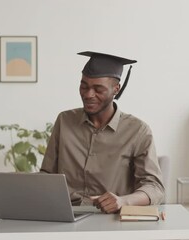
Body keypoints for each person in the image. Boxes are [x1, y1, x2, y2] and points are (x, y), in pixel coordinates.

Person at [41, 51, 165, 214]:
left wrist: (123, 201)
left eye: (98, 89)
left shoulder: (138, 131)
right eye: (84, 86)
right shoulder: (64, 121)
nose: (88, 94)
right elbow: (47, 174)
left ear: (116, 89)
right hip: (65, 213)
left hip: (111, 218)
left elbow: (154, 188)